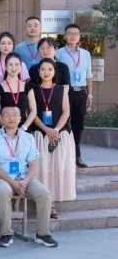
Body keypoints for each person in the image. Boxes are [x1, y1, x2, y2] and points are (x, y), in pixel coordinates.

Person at [0, 105, 58, 248]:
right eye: (7, 114)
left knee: (44, 193)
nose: (11, 118)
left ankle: (43, 234)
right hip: (1, 178)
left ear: (20, 119)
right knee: (3, 190)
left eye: (14, 115)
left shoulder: (28, 138)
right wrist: (12, 183)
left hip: (24, 178)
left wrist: (25, 181)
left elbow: (33, 165)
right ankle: (6, 234)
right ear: (1, 118)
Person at [31, 58, 76, 219]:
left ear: (55, 72)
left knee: (57, 168)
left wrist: (55, 130)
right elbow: (32, 113)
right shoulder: (33, 90)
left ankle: (53, 203)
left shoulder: (61, 89)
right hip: (40, 134)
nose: (46, 72)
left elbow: (66, 112)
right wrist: (46, 130)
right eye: (43, 69)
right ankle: (44, 202)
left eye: (50, 69)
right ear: (38, 72)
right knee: (42, 169)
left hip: (60, 134)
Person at [55, 24, 93, 168]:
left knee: (79, 125)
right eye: (69, 33)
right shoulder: (59, 53)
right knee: (63, 123)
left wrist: (90, 95)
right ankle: (62, 155)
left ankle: (77, 155)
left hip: (81, 92)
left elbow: (89, 75)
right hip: (65, 92)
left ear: (79, 36)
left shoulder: (86, 54)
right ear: (65, 36)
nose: (72, 36)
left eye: (75, 33)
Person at [0, 53, 37, 129]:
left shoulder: (28, 87)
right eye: (10, 64)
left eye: (16, 64)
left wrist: (24, 127)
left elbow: (33, 110)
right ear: (5, 67)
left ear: (21, 67)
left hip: (23, 129)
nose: (13, 67)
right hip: (3, 129)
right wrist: (5, 128)